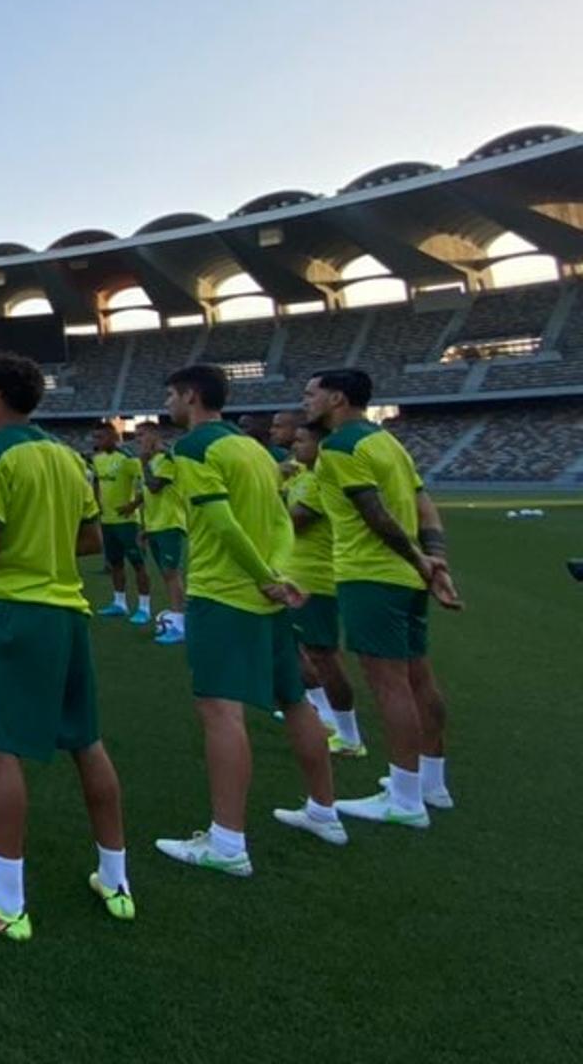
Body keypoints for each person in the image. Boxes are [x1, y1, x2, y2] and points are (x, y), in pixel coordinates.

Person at [0, 353, 130, 942]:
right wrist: (43, 545)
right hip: (66, 611)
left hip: (13, 612)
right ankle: (116, 880)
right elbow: (92, 537)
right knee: (86, 744)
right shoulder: (68, 456)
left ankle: (6, 901)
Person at [152, 365, 346, 877]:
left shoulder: (194, 449)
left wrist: (263, 576)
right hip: (268, 595)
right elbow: (282, 518)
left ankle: (227, 841)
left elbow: (219, 522)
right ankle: (324, 811)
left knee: (220, 710)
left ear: (191, 397)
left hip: (227, 593)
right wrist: (279, 574)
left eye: (172, 395)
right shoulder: (254, 449)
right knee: (296, 699)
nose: (169, 404)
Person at [305, 369, 460, 827]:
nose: (305, 401)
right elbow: (422, 504)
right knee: (419, 679)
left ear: (336, 398)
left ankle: (406, 798)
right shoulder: (388, 442)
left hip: (370, 575)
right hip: (406, 578)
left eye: (311, 394)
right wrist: (435, 561)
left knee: (390, 684)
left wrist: (419, 560)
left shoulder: (339, 446)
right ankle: (432, 784)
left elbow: (373, 513)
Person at [286, 420, 367, 757]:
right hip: (297, 577)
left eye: (301, 440)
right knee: (303, 651)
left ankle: (349, 735)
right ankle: (326, 716)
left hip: (314, 580)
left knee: (324, 656)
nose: (294, 446)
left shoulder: (317, 479)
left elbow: (296, 519)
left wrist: (264, 506)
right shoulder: (303, 477)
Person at [136, 422, 189, 645]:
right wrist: (145, 528)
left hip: (170, 524)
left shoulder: (167, 458)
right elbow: (150, 498)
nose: (138, 439)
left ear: (154, 436)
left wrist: (145, 462)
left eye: (141, 435)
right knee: (167, 575)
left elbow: (155, 486)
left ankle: (180, 623)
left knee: (171, 573)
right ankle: (180, 619)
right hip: (156, 525)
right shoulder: (153, 461)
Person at [90, 425, 150, 622]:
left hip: (127, 522)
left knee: (138, 564)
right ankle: (119, 603)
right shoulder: (98, 459)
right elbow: (97, 481)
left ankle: (144, 607)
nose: (95, 442)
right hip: (107, 521)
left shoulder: (128, 458)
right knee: (115, 564)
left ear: (112, 437)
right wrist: (96, 501)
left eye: (99, 437)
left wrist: (133, 505)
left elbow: (145, 484)